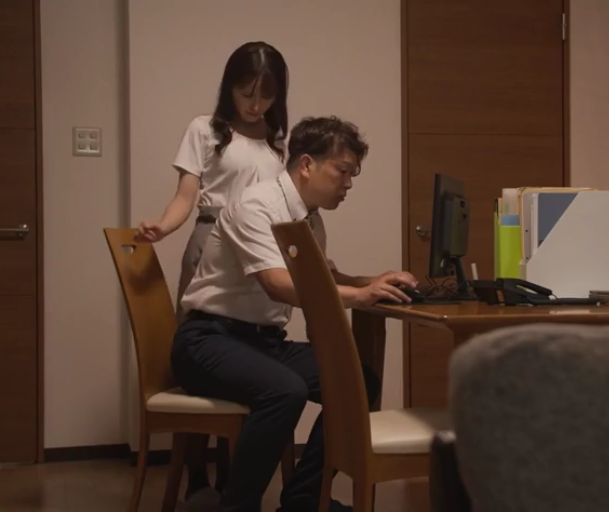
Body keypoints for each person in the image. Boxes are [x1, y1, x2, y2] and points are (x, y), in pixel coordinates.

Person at [171, 116, 419, 512]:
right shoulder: (256, 205)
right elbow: (278, 284)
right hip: (208, 340)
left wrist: (372, 281)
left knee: (359, 382)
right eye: (342, 171)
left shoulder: (309, 218)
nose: (349, 184)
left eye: (353, 174)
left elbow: (322, 278)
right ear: (306, 164)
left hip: (262, 343)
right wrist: (360, 296)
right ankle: (237, 506)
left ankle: (304, 500)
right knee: (285, 391)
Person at [134, 41, 289, 507]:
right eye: (246, 92)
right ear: (229, 87)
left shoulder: (277, 141)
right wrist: (164, 226)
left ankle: (233, 477)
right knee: (207, 351)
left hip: (259, 248)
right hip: (211, 244)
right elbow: (186, 195)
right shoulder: (206, 129)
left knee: (251, 354)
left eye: (266, 95)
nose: (255, 104)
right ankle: (197, 473)